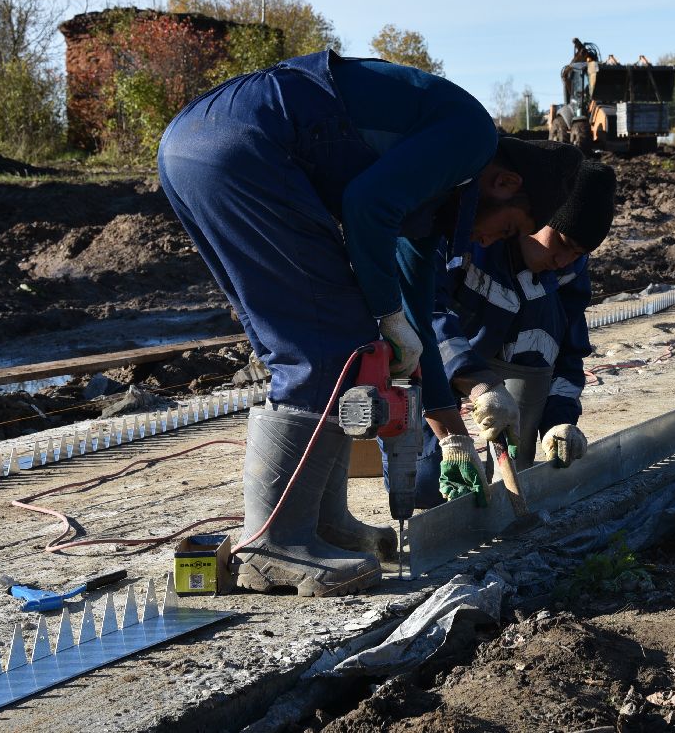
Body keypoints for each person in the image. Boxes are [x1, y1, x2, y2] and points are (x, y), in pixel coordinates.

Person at [156, 50, 584, 596]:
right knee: (326, 346)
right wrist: (384, 315)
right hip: (245, 149)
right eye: (507, 231)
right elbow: (365, 206)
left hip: (202, 144)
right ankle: (274, 545)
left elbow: (413, 324)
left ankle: (318, 522)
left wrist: (450, 423)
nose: (489, 243)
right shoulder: (470, 136)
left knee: (344, 341)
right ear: (504, 183)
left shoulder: (435, 200)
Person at [419, 161, 617, 505]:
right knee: (428, 485)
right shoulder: (473, 234)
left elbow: (568, 352)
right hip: (432, 368)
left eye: (579, 254)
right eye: (562, 242)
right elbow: (424, 319)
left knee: (510, 481)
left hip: (500, 361)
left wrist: (560, 420)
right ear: (537, 217)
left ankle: (510, 487)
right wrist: (477, 386)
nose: (564, 260)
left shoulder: (566, 271)